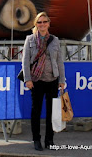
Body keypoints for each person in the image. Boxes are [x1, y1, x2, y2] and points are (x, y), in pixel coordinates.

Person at [22, 12, 65, 151]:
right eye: (39, 22)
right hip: (36, 80)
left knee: (51, 112)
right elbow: (25, 61)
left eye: (44, 22)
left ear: (48, 23)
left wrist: (61, 80)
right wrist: (27, 79)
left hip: (52, 79)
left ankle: (49, 139)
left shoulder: (55, 40)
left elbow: (59, 61)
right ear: (36, 24)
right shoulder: (30, 39)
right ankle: (36, 139)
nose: (42, 25)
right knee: (36, 111)